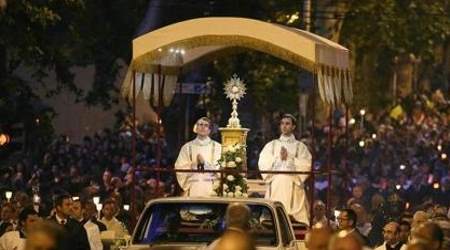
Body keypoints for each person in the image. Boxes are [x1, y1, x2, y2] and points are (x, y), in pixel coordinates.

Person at [258, 114, 312, 224]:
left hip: (292, 182)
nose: (284, 126)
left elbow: (306, 164)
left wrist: (289, 159)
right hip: (276, 181)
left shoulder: (300, 146)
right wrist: (279, 159)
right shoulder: (272, 145)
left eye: (287, 124)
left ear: (293, 127)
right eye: (282, 123)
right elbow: (263, 162)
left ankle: (292, 218)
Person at [175, 117, 222, 197]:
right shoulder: (187, 147)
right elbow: (179, 166)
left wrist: (206, 165)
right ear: (196, 128)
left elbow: (221, 166)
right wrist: (194, 165)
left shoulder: (218, 147)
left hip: (211, 184)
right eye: (200, 124)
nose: (203, 127)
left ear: (210, 130)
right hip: (193, 183)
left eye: (206, 125)